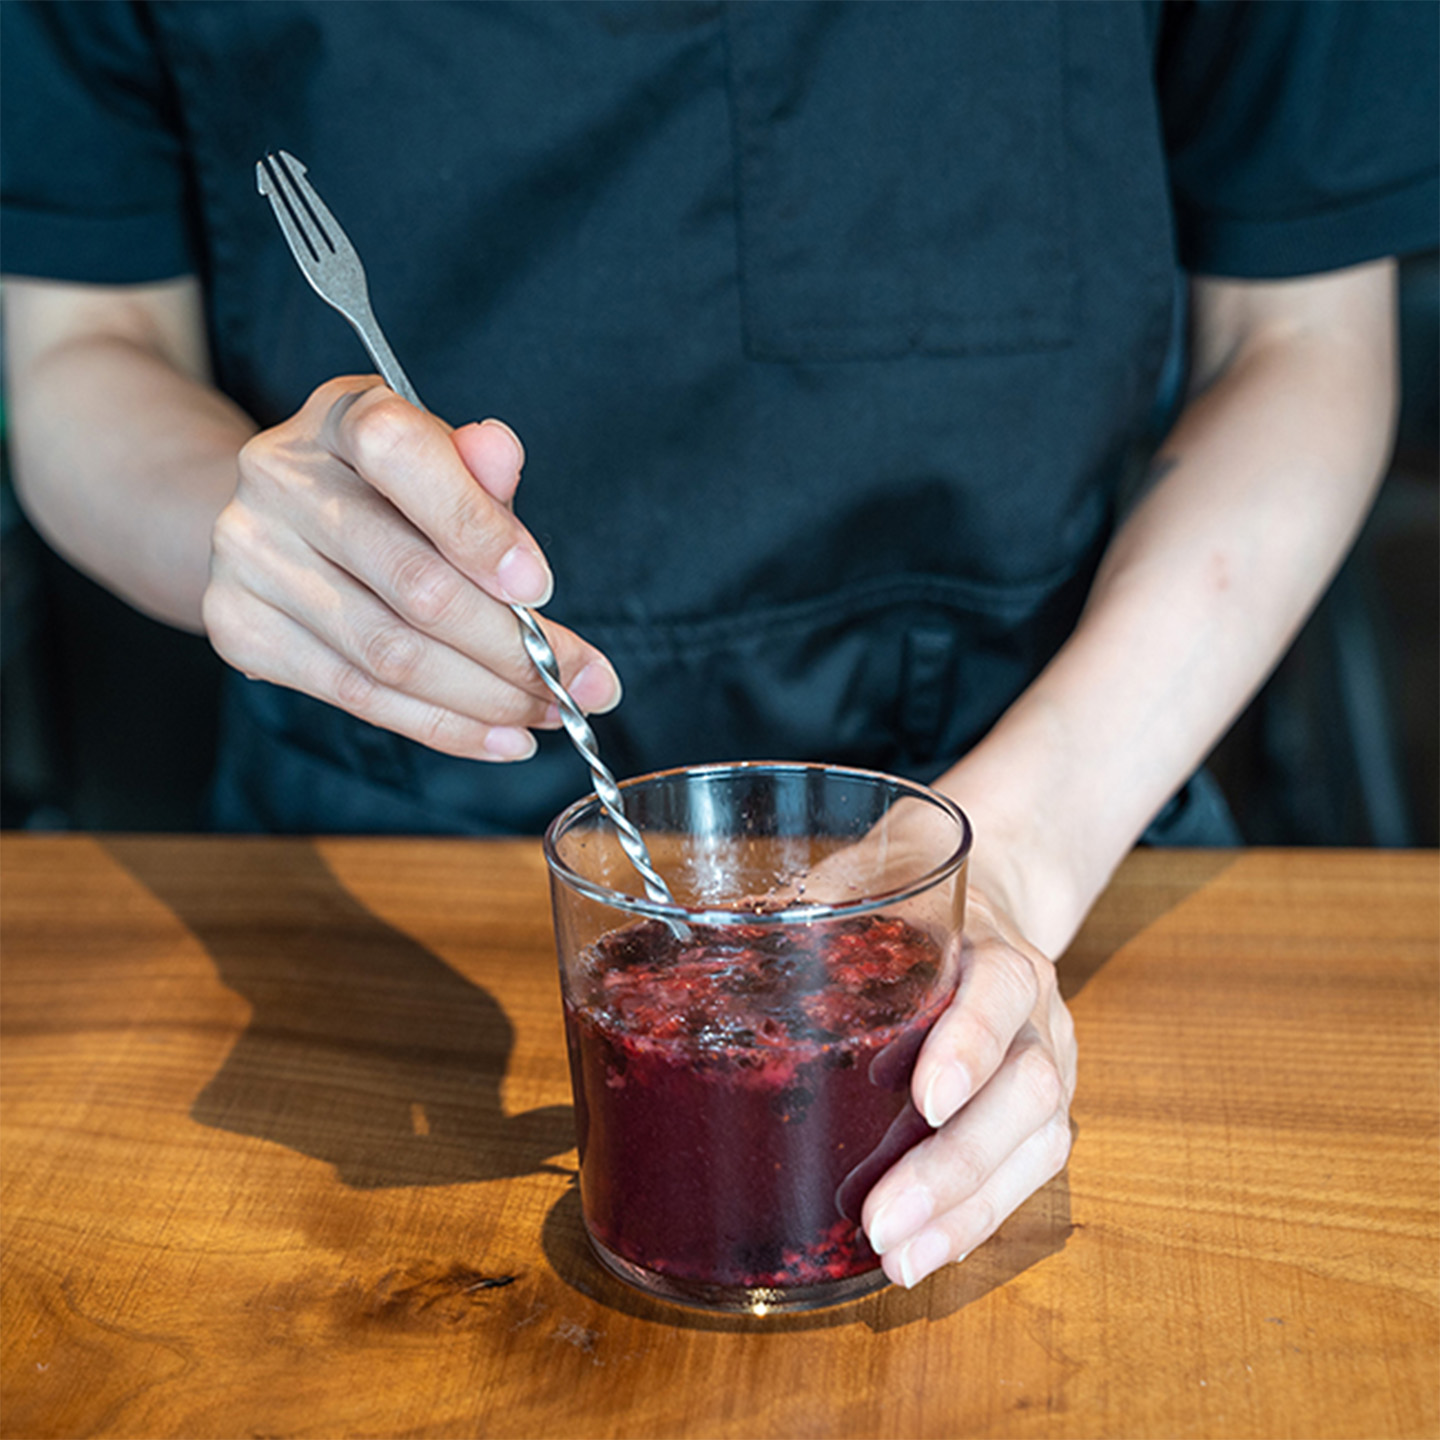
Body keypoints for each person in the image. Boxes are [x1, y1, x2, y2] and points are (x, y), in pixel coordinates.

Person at [3, 0, 1436, 1294]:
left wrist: (1011, 856)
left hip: (1060, 798)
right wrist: (257, 536)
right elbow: (77, 348)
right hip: (393, 829)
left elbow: (1301, 335)